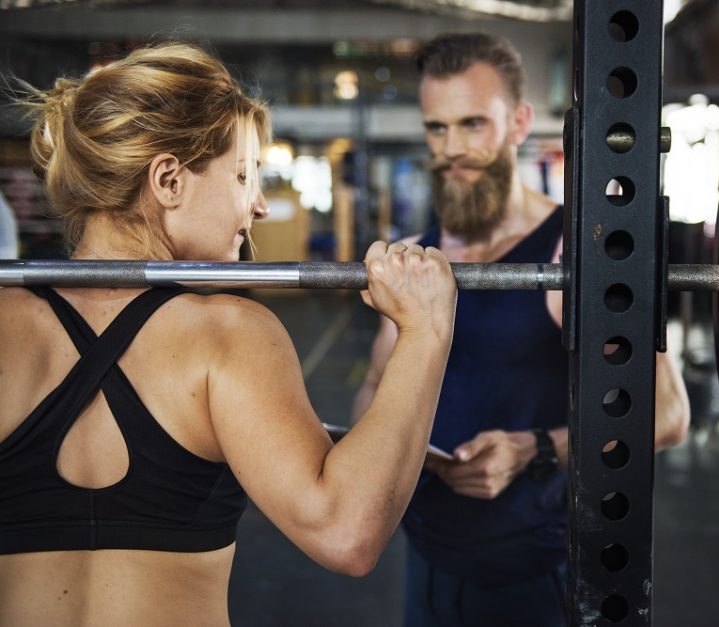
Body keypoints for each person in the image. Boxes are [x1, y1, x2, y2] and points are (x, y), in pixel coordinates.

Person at [0, 42, 457, 626]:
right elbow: (347, 532)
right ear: (168, 180)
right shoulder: (228, 335)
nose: (259, 206)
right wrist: (425, 331)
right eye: (244, 175)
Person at [352, 33, 691, 627]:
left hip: (533, 573)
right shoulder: (413, 256)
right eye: (437, 128)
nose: (453, 148)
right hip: (427, 559)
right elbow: (376, 385)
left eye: (473, 123)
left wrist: (532, 450)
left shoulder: (576, 254)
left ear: (520, 123)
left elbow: (666, 414)